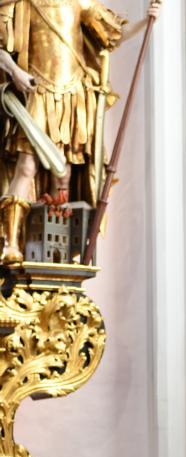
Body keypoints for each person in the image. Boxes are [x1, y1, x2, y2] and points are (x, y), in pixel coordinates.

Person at [0, 0, 163, 264]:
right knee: (26, 167)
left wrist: (146, 21)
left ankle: (57, 250)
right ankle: (10, 243)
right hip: (37, 92)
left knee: (63, 175)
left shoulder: (79, 1)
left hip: (73, 96)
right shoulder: (20, 3)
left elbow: (113, 35)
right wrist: (15, 72)